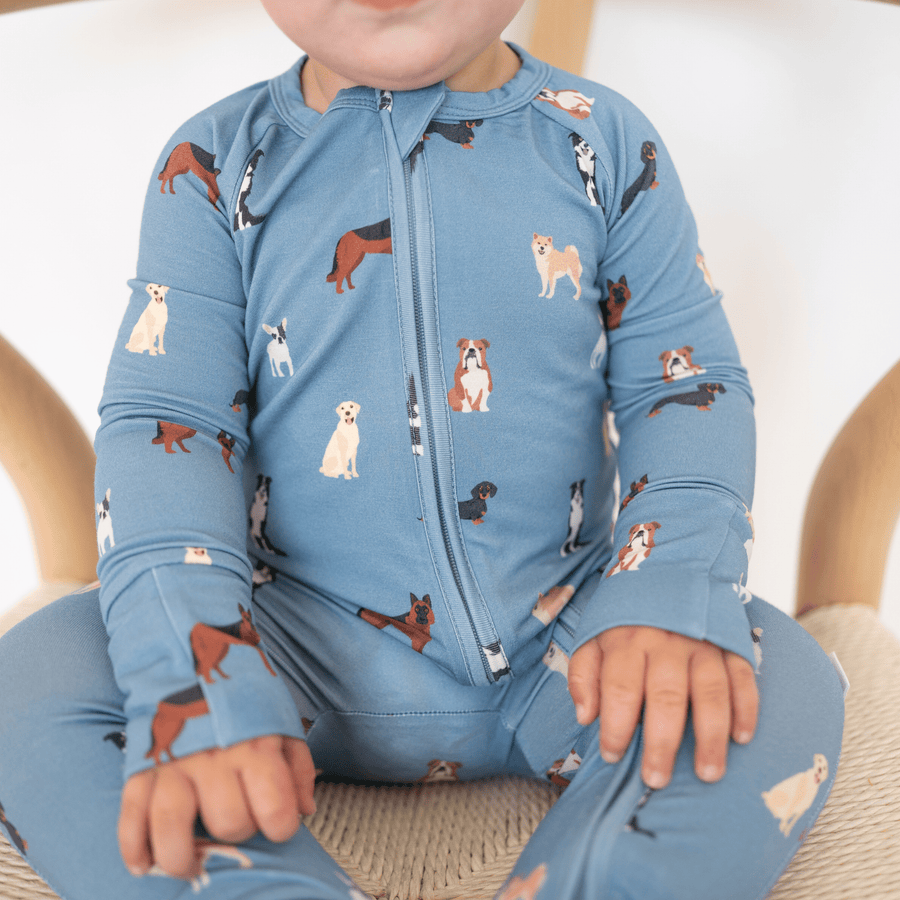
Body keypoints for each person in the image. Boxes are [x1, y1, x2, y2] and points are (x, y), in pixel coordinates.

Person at [0, 1, 845, 897]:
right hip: (282, 645)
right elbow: (169, 426)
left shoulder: (602, 142)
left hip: (572, 647)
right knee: (36, 672)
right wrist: (201, 660)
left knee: (775, 673)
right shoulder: (211, 166)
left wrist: (667, 583)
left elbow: (683, 385)